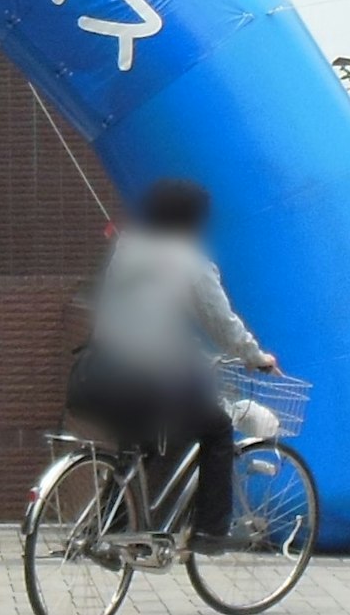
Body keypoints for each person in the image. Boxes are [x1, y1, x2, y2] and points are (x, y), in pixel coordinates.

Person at [68, 178, 272, 543]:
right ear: (195, 221)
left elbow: (141, 317)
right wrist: (256, 357)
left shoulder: (126, 250)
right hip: (145, 384)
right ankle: (210, 532)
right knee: (217, 428)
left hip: (95, 376)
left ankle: (112, 531)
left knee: (140, 447)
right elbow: (223, 326)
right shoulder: (191, 264)